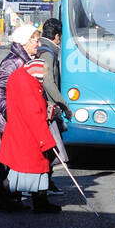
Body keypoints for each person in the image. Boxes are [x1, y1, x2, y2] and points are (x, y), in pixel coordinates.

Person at [0, 58, 59, 213]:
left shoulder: (21, 78)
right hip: (30, 138)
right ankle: (39, 202)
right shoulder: (30, 87)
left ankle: (7, 196)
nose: (45, 77)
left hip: (19, 134)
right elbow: (35, 116)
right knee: (38, 170)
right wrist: (47, 141)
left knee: (18, 171)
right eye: (44, 73)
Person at [0, 24, 40, 211]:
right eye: (35, 39)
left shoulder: (27, 59)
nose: (38, 43)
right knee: (10, 159)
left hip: (20, 118)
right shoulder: (13, 62)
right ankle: (5, 197)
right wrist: (9, 113)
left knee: (12, 159)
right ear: (25, 41)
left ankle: (9, 196)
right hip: (11, 119)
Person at [37, 18, 72, 193]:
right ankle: (44, 184)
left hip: (43, 107)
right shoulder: (47, 53)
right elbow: (48, 82)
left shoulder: (41, 49)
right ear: (57, 36)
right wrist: (63, 104)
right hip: (46, 108)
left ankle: (46, 182)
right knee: (49, 145)